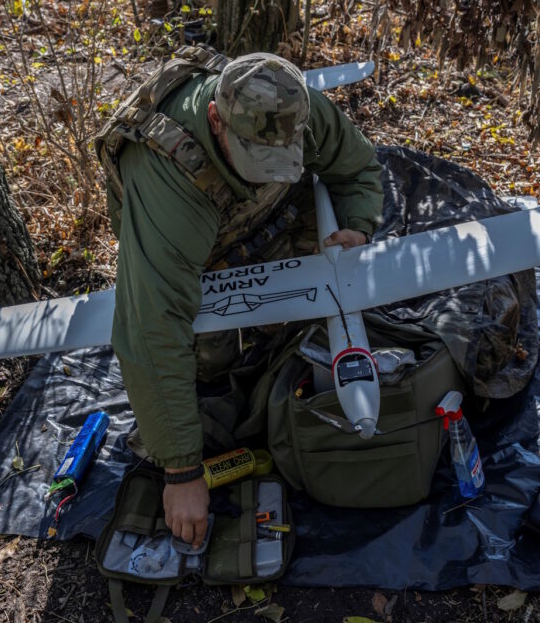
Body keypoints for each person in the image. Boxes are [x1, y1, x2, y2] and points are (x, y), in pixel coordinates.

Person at [100, 51, 383, 549]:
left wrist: (357, 226)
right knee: (209, 362)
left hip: (261, 215)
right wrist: (182, 471)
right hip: (196, 237)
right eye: (257, 156)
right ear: (216, 118)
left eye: (283, 154)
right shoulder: (167, 180)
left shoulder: (297, 107)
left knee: (309, 312)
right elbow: (151, 327)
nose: (269, 168)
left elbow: (357, 166)